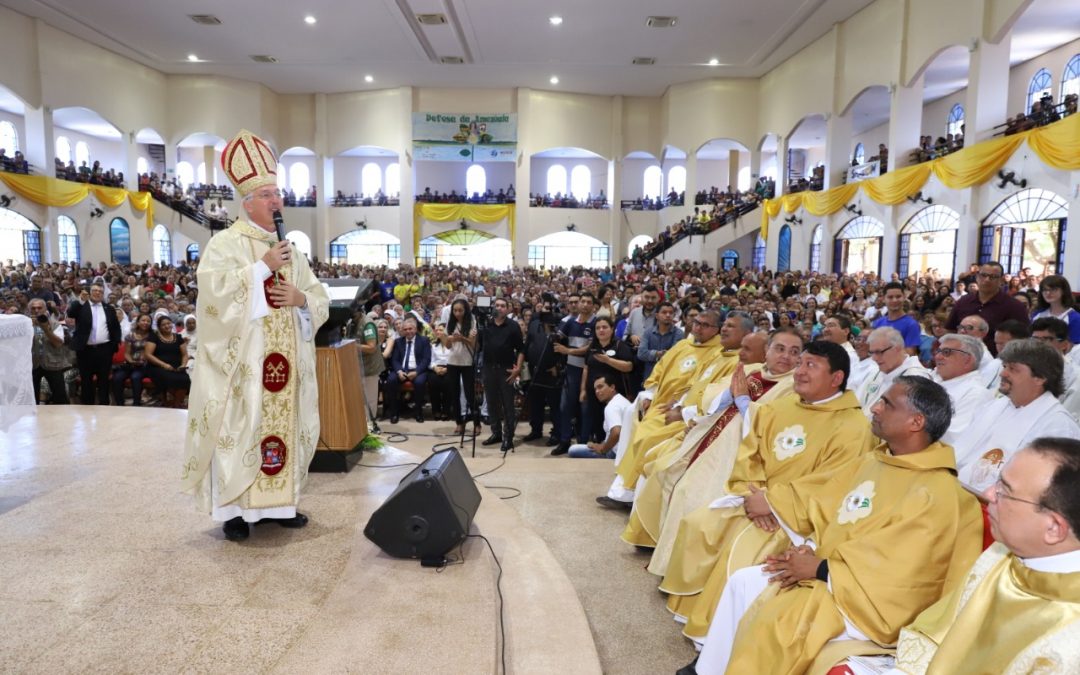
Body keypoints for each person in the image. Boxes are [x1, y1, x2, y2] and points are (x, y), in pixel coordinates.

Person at [692, 377, 984, 674]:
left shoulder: (940, 495)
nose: (875, 407)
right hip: (836, 574)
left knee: (779, 622)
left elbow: (903, 577)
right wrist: (809, 549)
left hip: (871, 605)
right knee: (745, 582)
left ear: (915, 422)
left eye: (887, 403)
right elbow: (831, 508)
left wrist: (820, 569)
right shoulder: (877, 460)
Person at [660, 341, 876, 644]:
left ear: (836, 378)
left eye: (810, 365)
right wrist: (754, 495)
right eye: (800, 363)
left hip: (800, 521)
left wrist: (773, 504)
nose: (799, 371)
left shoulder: (853, 427)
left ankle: (714, 640)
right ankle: (694, 612)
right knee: (699, 523)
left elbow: (835, 485)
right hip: (759, 501)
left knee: (741, 551)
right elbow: (752, 453)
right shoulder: (782, 406)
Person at [181, 128, 330, 544]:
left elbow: (317, 295)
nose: (276, 201)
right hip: (245, 369)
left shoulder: (291, 248)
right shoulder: (225, 245)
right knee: (241, 432)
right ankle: (234, 512)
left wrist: (301, 298)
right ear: (246, 202)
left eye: (277, 194)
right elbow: (214, 299)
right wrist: (261, 268)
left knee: (280, 430)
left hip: (285, 366)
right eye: (266, 195)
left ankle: (279, 507)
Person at [894, 437, 1080, 674]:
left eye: (1005, 491)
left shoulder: (1072, 641)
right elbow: (938, 636)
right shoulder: (1000, 554)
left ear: (1054, 529)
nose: (989, 493)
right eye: (997, 483)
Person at [627, 330, 796, 555]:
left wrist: (744, 400)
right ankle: (669, 560)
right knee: (677, 485)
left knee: (696, 501)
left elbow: (774, 428)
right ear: (767, 352)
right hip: (715, 440)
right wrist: (724, 400)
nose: (786, 356)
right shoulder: (753, 371)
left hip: (745, 457)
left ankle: (684, 567)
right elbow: (713, 400)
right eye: (780, 349)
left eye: (794, 352)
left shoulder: (793, 386)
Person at [608, 311, 747, 506]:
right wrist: (652, 394)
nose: (697, 327)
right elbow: (667, 370)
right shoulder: (685, 345)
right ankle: (623, 485)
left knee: (648, 437)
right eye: (696, 322)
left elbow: (706, 394)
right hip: (669, 403)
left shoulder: (720, 353)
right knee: (637, 419)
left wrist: (682, 408)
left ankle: (630, 492)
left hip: (691, 416)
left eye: (705, 325)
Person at [953, 339, 1080, 493]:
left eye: (1013, 369)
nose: (1002, 373)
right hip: (958, 490)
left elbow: (1039, 490)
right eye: (1005, 366)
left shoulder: (1058, 427)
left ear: (1040, 378)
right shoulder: (994, 406)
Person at [945, 261, 1029, 356]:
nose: (987, 279)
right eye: (983, 275)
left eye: (993, 277)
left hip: (998, 362)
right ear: (977, 277)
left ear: (1001, 280)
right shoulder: (963, 302)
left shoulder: (1014, 306)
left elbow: (1023, 339)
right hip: (962, 358)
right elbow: (950, 330)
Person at [931, 333, 994, 448]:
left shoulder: (976, 394)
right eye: (938, 351)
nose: (938, 357)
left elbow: (954, 439)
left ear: (967, 360)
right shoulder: (933, 379)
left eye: (946, 352)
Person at [579, 316, 634, 445]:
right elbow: (586, 369)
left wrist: (608, 360)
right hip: (594, 393)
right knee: (597, 421)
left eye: (604, 327)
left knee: (613, 423)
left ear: (612, 329)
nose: (601, 330)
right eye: (598, 328)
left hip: (614, 394)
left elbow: (629, 367)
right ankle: (600, 446)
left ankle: (612, 448)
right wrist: (582, 390)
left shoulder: (619, 345)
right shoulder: (592, 347)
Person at [480, 296, 524, 453]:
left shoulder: (513, 326)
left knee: (507, 406)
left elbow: (521, 349)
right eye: (496, 305)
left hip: (506, 370)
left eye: (502, 306)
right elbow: (478, 346)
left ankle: (508, 437)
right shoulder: (485, 324)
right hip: (488, 368)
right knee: (491, 403)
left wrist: (518, 368)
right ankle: (496, 433)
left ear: (508, 309)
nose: (499, 308)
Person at [553, 292, 597, 452]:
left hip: (588, 371)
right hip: (571, 370)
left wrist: (567, 351)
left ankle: (583, 442)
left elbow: (589, 349)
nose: (585, 304)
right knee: (565, 407)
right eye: (582, 301)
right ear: (578, 304)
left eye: (588, 302)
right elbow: (557, 337)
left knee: (585, 408)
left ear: (593, 305)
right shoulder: (570, 322)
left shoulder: (596, 323)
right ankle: (565, 441)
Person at [855, 327, 930, 416]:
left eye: (879, 352)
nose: (874, 358)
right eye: (872, 353)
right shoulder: (878, 372)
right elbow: (856, 401)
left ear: (897, 348)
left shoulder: (916, 378)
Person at [67, 282, 121, 405]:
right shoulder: (81, 306)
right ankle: (87, 406)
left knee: (104, 380)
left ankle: (104, 404)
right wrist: (81, 300)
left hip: (104, 350)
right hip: (85, 350)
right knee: (86, 380)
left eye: (100, 291)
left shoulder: (109, 308)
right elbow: (71, 313)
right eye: (95, 290)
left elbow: (116, 328)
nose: (97, 293)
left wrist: (114, 346)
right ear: (90, 292)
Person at [522, 297, 563, 445]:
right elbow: (527, 345)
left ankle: (557, 433)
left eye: (549, 309)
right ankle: (536, 430)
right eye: (544, 308)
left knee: (554, 405)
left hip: (552, 373)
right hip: (535, 371)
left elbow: (566, 351)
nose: (546, 312)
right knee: (536, 404)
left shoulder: (560, 326)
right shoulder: (534, 325)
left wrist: (557, 367)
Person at [567, 374, 632, 459]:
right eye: (595, 389)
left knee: (573, 449)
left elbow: (616, 432)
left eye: (600, 387)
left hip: (616, 453)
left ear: (612, 387)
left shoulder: (612, 407)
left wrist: (603, 449)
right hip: (628, 450)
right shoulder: (622, 400)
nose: (597, 391)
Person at [384, 316, 432, 424]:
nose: (408, 331)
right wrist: (399, 371)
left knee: (420, 383)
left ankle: (418, 412)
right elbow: (395, 360)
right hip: (402, 370)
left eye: (410, 329)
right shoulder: (398, 341)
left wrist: (416, 372)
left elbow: (426, 359)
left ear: (415, 329)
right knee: (391, 380)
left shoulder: (424, 340)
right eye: (405, 329)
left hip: (417, 370)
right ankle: (394, 413)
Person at [444, 298, 479, 436]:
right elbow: (447, 346)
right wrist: (449, 339)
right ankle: (459, 422)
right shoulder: (450, 323)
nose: (457, 313)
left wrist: (462, 338)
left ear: (466, 311)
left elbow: (474, 344)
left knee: (470, 395)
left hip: (467, 362)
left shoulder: (472, 322)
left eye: (460, 310)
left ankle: (477, 423)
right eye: (455, 310)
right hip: (452, 361)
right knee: (454, 393)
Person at [28, 298, 70, 404]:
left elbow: (58, 344)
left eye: (39, 308)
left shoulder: (55, 323)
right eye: (33, 308)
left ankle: (61, 418)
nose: (36, 310)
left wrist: (46, 329)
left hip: (53, 363)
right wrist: (29, 327)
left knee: (60, 397)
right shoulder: (25, 324)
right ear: (29, 310)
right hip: (32, 364)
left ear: (45, 309)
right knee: (31, 397)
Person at [144, 315, 190, 408]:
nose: (167, 326)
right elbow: (148, 355)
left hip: (176, 367)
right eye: (163, 325)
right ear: (159, 327)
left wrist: (183, 364)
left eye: (168, 323)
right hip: (157, 367)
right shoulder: (154, 337)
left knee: (186, 380)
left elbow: (185, 354)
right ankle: (171, 404)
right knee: (169, 378)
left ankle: (175, 404)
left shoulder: (178, 337)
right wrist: (164, 365)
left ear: (172, 324)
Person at [111, 312, 152, 405]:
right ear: (138, 322)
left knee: (135, 377)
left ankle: (136, 404)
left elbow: (151, 353)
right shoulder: (130, 336)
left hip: (146, 365)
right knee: (117, 377)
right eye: (143, 320)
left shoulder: (153, 336)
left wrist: (142, 361)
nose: (145, 323)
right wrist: (131, 361)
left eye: (148, 321)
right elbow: (127, 353)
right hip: (130, 364)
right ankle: (119, 404)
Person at [638, 301, 683, 380]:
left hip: (670, 376)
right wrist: (657, 353)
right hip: (650, 376)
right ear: (657, 315)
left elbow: (674, 355)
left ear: (674, 315)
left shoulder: (679, 333)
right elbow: (641, 353)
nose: (668, 315)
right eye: (664, 312)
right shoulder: (648, 332)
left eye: (671, 313)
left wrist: (653, 355)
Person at [872, 282, 920, 354]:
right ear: (884, 299)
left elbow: (910, 351)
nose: (894, 300)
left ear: (904, 297)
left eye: (898, 297)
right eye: (890, 297)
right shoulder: (878, 323)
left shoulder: (912, 324)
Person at [1031, 274, 1080, 345]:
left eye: (1053, 289)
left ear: (1063, 291)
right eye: (1045, 290)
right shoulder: (1037, 314)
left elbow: (1076, 347)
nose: (1048, 293)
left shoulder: (1074, 318)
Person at [427, 323, 452, 420]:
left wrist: (447, 369)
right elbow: (430, 361)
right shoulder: (433, 345)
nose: (438, 332)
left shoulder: (452, 344)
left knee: (448, 383)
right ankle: (436, 411)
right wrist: (435, 368)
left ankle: (446, 411)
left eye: (441, 330)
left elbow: (454, 359)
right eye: (436, 330)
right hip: (436, 368)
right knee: (433, 382)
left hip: (449, 368)